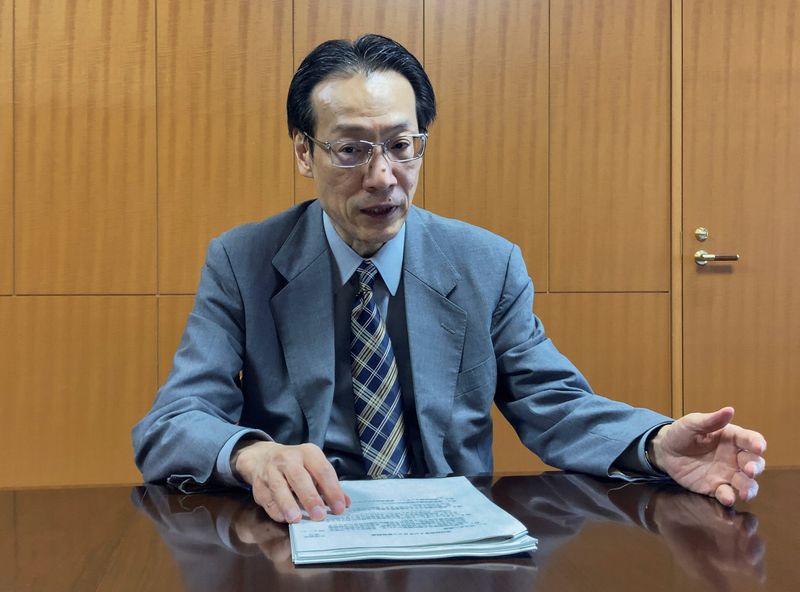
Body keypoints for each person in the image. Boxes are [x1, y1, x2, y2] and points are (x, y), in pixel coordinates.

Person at [132, 34, 766, 525]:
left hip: (453, 536)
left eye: (402, 146)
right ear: (305, 152)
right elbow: (171, 423)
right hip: (303, 530)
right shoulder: (243, 261)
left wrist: (655, 444)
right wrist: (254, 455)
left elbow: (555, 405)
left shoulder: (485, 263)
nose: (383, 176)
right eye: (351, 149)